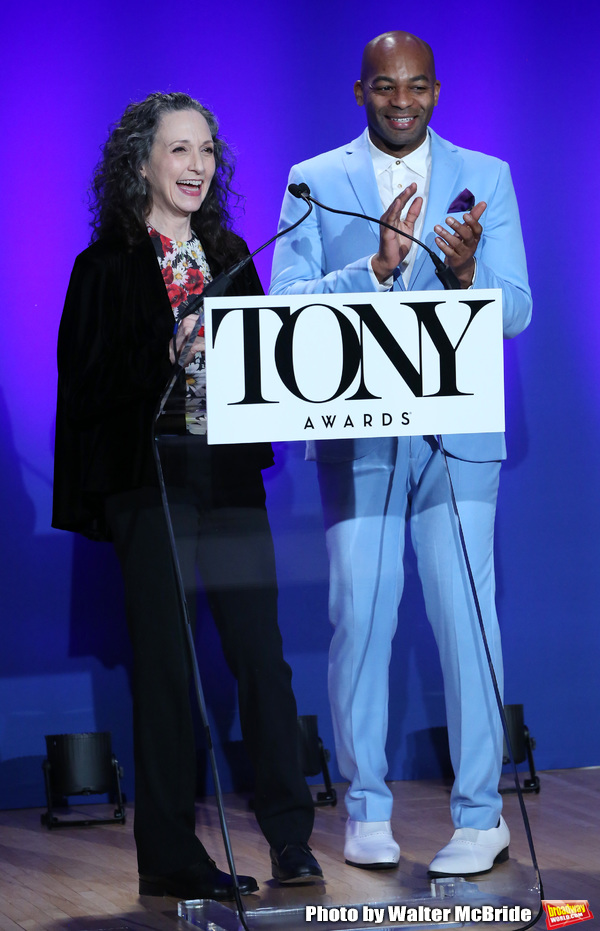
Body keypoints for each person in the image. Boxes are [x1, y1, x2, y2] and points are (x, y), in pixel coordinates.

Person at [271, 32, 532, 877]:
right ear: (360, 92)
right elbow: (284, 305)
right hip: (358, 433)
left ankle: (481, 813)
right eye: (385, 87)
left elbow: (519, 308)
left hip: (458, 437)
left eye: (417, 86)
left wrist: (463, 284)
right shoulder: (313, 177)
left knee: (467, 624)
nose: (402, 101)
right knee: (362, 618)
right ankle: (367, 808)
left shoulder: (486, 174)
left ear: (438, 89)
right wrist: (375, 270)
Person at [52, 91, 322, 900]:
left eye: (207, 149)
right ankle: (170, 854)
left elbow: (266, 366)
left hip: (229, 478)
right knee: (169, 672)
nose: (198, 164)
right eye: (179, 149)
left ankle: (291, 839)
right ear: (140, 163)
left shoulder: (233, 250)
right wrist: (164, 350)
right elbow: (87, 385)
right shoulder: (103, 268)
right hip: (152, 481)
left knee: (262, 663)